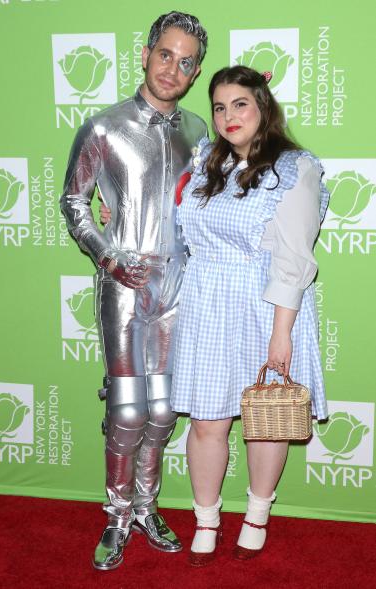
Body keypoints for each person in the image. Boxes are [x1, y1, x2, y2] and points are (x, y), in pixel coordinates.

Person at [60, 11, 208, 571]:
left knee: (164, 411)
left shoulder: (199, 131)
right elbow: (74, 203)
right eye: (166, 54)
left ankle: (147, 507)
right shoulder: (103, 127)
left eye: (186, 61)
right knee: (127, 410)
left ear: (196, 73)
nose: (174, 68)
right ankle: (117, 515)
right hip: (124, 286)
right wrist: (108, 255)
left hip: (180, 287)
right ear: (146, 54)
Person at [169, 65, 329, 566]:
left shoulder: (294, 167)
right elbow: (176, 221)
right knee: (206, 423)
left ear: (263, 107)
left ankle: (257, 513)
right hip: (207, 303)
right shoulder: (204, 159)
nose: (228, 116)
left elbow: (294, 258)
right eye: (219, 106)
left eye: (240, 103)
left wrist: (282, 335)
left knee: (266, 422)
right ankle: (206, 519)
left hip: (266, 307)